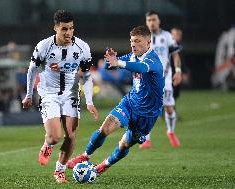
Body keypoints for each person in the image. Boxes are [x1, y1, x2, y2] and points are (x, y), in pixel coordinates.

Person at [67, 26, 164, 175]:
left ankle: (102, 166)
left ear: (148, 43)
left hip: (147, 114)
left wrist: (118, 63)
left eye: (137, 41)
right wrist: (110, 60)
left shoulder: (153, 60)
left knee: (124, 145)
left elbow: (142, 68)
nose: (133, 44)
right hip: (130, 103)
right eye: (131, 41)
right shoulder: (132, 56)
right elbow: (109, 66)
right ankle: (85, 157)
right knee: (105, 128)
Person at [21, 10, 99, 183]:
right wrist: (28, 95)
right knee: (55, 136)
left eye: (71, 28)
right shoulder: (44, 46)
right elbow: (32, 70)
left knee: (71, 136)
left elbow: (86, 75)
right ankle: (48, 144)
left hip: (71, 94)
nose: (68, 33)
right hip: (49, 94)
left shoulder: (82, 47)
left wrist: (90, 101)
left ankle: (59, 170)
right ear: (55, 28)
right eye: (64, 29)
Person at [140, 10, 182, 148]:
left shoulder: (167, 36)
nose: (152, 22)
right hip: (149, 78)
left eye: (154, 20)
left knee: (169, 108)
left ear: (158, 21)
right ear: (146, 22)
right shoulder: (143, 38)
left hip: (165, 77)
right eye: (149, 20)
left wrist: (178, 71)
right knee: (147, 107)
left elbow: (175, 55)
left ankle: (171, 132)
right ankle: (146, 139)